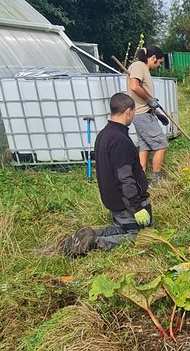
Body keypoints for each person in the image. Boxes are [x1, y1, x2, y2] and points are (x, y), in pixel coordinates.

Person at [59, 93, 154, 257]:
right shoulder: (119, 140)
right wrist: (136, 207)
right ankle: (95, 243)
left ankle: (89, 235)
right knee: (141, 237)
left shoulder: (103, 135)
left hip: (113, 201)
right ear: (128, 111)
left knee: (121, 228)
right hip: (125, 203)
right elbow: (125, 178)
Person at [127, 45, 169, 183]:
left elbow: (142, 95)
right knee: (161, 145)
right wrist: (149, 100)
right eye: (159, 62)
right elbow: (134, 86)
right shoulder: (139, 65)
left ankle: (140, 178)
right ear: (153, 58)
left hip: (144, 113)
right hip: (142, 115)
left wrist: (156, 112)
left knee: (145, 147)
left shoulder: (142, 68)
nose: (159, 66)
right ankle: (156, 181)